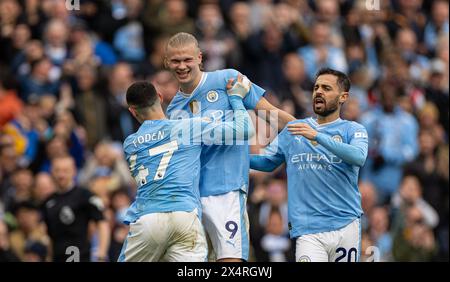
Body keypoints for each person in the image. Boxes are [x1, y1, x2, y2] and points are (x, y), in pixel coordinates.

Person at [165, 32, 294, 262]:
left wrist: (309, 133)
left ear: (199, 58)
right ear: (167, 62)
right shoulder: (173, 109)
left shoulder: (228, 79)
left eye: (187, 60)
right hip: (190, 200)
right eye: (176, 61)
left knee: (230, 261)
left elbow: (271, 114)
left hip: (226, 191)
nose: (182, 66)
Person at [118, 79, 254, 262]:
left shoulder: (130, 144)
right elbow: (245, 130)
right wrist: (236, 98)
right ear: (160, 97)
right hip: (186, 217)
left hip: (148, 219)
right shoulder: (190, 127)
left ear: (132, 111)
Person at [250, 68, 369, 262]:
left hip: (345, 226)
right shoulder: (295, 130)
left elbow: (358, 157)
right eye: (316, 87)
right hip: (308, 231)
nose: (319, 92)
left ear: (342, 97)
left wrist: (317, 136)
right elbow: (267, 162)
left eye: (326, 88)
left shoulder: (353, 129)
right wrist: (234, 156)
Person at [41, 155, 110, 262]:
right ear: (51, 172)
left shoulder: (85, 195)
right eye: (57, 170)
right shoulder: (47, 202)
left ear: (73, 172)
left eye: (65, 171)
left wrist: (101, 253)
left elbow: (102, 223)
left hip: (79, 256)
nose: (61, 175)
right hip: (57, 256)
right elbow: (49, 236)